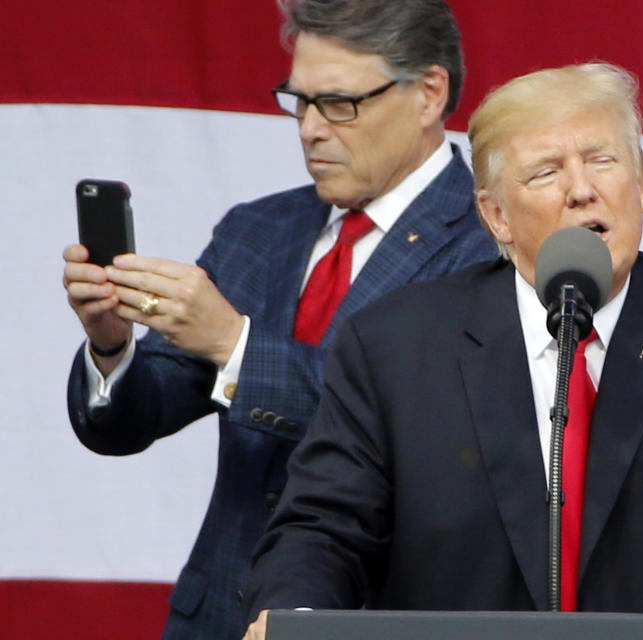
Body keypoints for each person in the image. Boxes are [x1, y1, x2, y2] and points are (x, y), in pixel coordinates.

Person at [242, 63, 643, 640]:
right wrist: (292, 617)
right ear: (495, 217)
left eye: (603, 161)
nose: (582, 190)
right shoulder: (392, 345)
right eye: (547, 172)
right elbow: (324, 527)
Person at [62, 1, 496, 637]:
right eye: (299, 101)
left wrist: (232, 344)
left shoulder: (489, 241)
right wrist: (111, 347)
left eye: (339, 103)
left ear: (430, 93)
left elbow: (417, 430)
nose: (310, 129)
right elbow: (127, 426)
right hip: (218, 617)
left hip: (372, 618)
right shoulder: (257, 228)